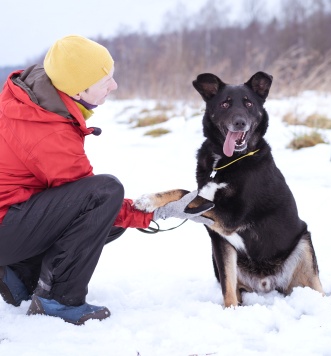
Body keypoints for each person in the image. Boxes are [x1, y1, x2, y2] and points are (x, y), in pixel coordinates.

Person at [0, 35, 212, 325]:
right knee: (105, 195)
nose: (114, 86)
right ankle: (58, 300)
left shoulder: (35, 100)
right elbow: (92, 199)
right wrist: (155, 210)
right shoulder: (48, 133)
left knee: (106, 221)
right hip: (6, 225)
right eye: (105, 81)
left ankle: (19, 276)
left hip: (12, 216)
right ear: (77, 91)